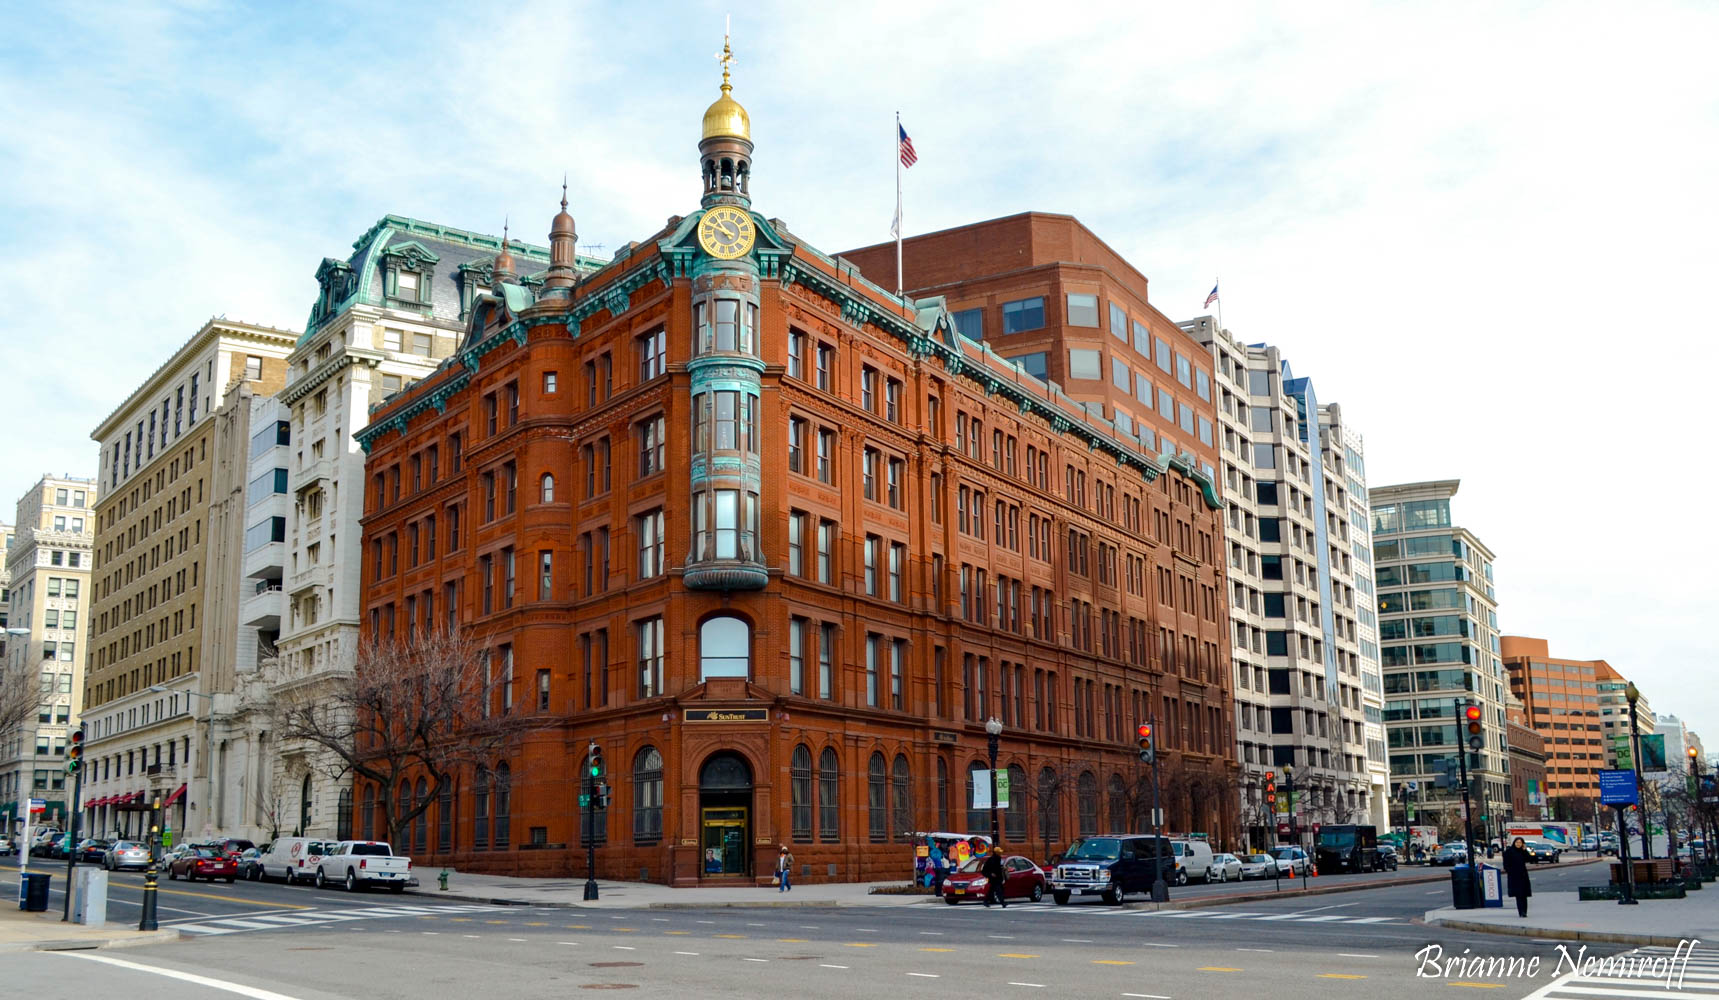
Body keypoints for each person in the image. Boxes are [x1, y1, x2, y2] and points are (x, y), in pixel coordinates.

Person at [1502, 837, 1532, 917]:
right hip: (1514, 876)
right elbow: (1506, 865)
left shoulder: (1522, 851)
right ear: (1514, 843)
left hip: (1523, 875)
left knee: (1524, 895)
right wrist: (1510, 872)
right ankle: (1521, 912)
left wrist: (1525, 850)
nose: (1518, 844)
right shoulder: (1509, 851)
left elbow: (1529, 859)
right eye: (1517, 842)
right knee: (1518, 895)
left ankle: (1525, 911)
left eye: (1520, 843)